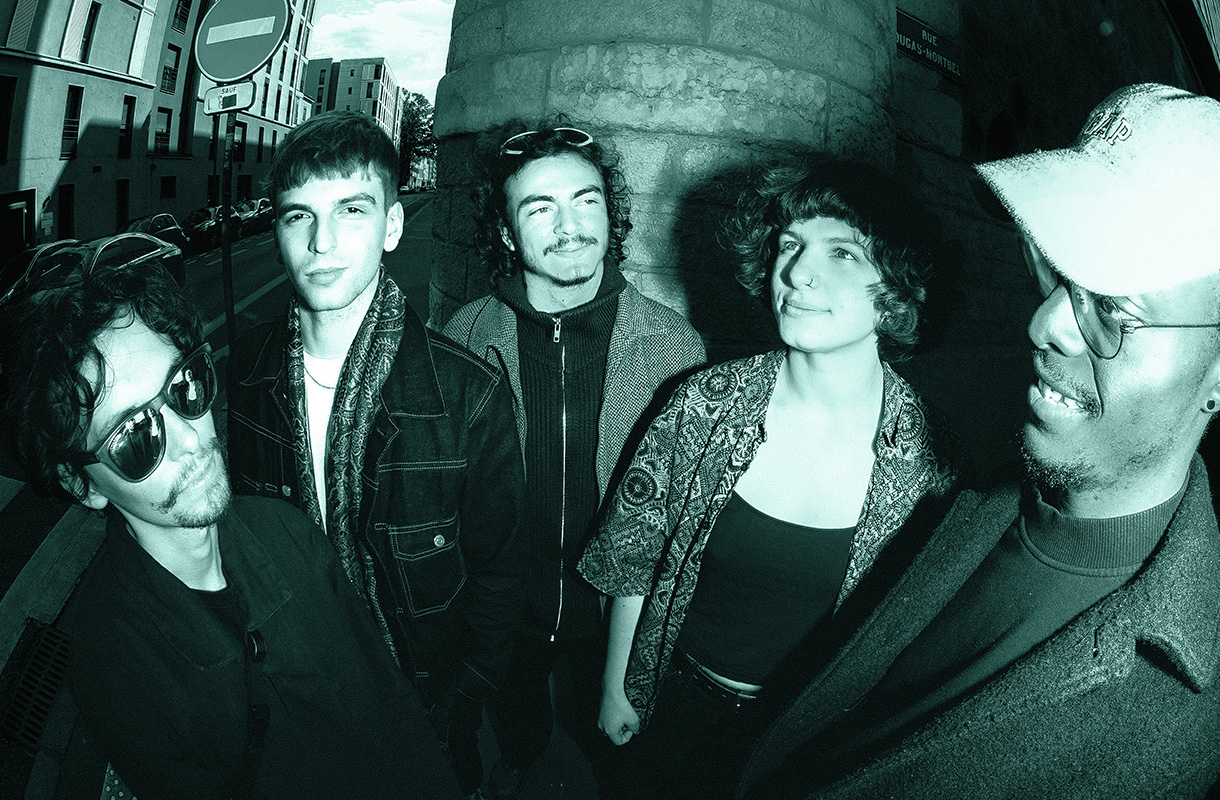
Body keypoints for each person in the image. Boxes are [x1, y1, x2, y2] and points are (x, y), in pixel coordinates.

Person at [736, 83, 1220, 799]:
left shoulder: (1162, 727)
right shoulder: (984, 481)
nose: (1046, 325)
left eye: (1113, 311)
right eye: (1054, 277)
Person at [0, 244, 461, 799]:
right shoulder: (116, 666)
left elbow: (393, 706)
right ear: (84, 485)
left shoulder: (290, 533)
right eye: (134, 436)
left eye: (184, 387)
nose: (191, 438)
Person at [576, 160, 964, 798]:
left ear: (897, 285)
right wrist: (618, 686)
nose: (798, 272)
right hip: (675, 707)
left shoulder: (930, 458)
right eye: (790, 244)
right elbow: (632, 556)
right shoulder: (703, 405)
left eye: (842, 252)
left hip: (809, 737)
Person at [227, 111, 527, 797]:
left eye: (351, 210)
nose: (322, 241)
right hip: (295, 696)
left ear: (393, 226)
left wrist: (461, 703)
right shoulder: (246, 371)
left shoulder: (468, 394)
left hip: (426, 705)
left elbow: (501, 573)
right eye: (299, 216)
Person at [442, 121, 706, 798]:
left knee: (615, 755)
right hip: (505, 608)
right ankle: (520, 757)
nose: (569, 227)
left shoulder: (674, 349)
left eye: (586, 201)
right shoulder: (463, 338)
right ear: (506, 233)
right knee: (519, 719)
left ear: (610, 214)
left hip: (613, 618)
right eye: (540, 208)